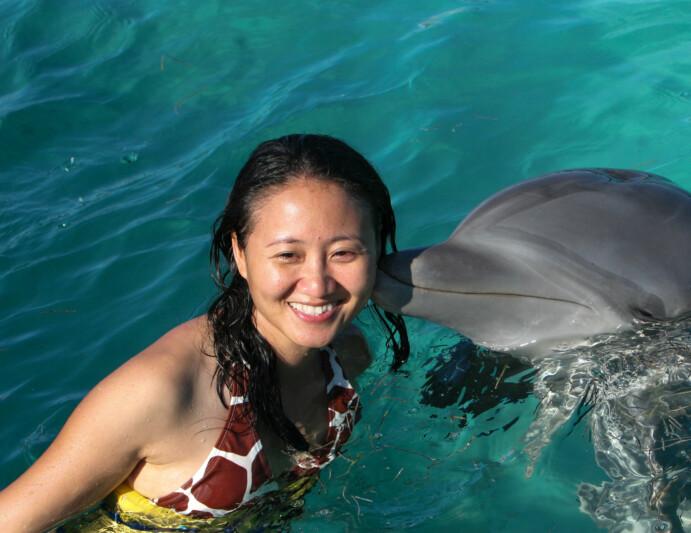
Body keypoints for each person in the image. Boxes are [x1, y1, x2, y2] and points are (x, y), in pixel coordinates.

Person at [0, 134, 409, 532]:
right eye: (288, 255)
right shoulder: (159, 393)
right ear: (239, 253)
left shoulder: (348, 356)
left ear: (376, 249)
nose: (318, 284)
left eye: (344, 253)